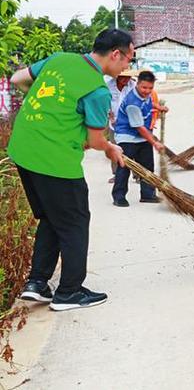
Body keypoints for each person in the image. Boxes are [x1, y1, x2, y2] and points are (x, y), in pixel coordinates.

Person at [8, 28, 131, 311]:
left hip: (23, 151)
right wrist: (111, 149)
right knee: (75, 222)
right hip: (55, 161)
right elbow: (95, 140)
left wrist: (48, 111)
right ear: (115, 54)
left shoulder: (59, 59)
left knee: (52, 217)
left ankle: (37, 283)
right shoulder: (97, 90)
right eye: (127, 59)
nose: (127, 66)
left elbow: (18, 79)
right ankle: (69, 292)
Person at [112, 70, 165, 207]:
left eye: (150, 88)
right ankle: (119, 196)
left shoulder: (146, 95)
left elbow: (147, 103)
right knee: (124, 167)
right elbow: (139, 127)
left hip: (142, 137)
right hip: (127, 137)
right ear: (137, 84)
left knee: (148, 167)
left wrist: (158, 106)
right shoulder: (132, 103)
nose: (147, 91)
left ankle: (148, 194)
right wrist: (154, 142)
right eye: (144, 87)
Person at [106, 68, 137, 183]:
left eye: (128, 77)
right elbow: (105, 102)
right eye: (123, 76)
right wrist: (110, 116)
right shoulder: (108, 86)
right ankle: (116, 174)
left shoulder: (133, 86)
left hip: (129, 123)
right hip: (114, 124)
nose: (126, 79)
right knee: (114, 148)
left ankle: (137, 174)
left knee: (132, 149)